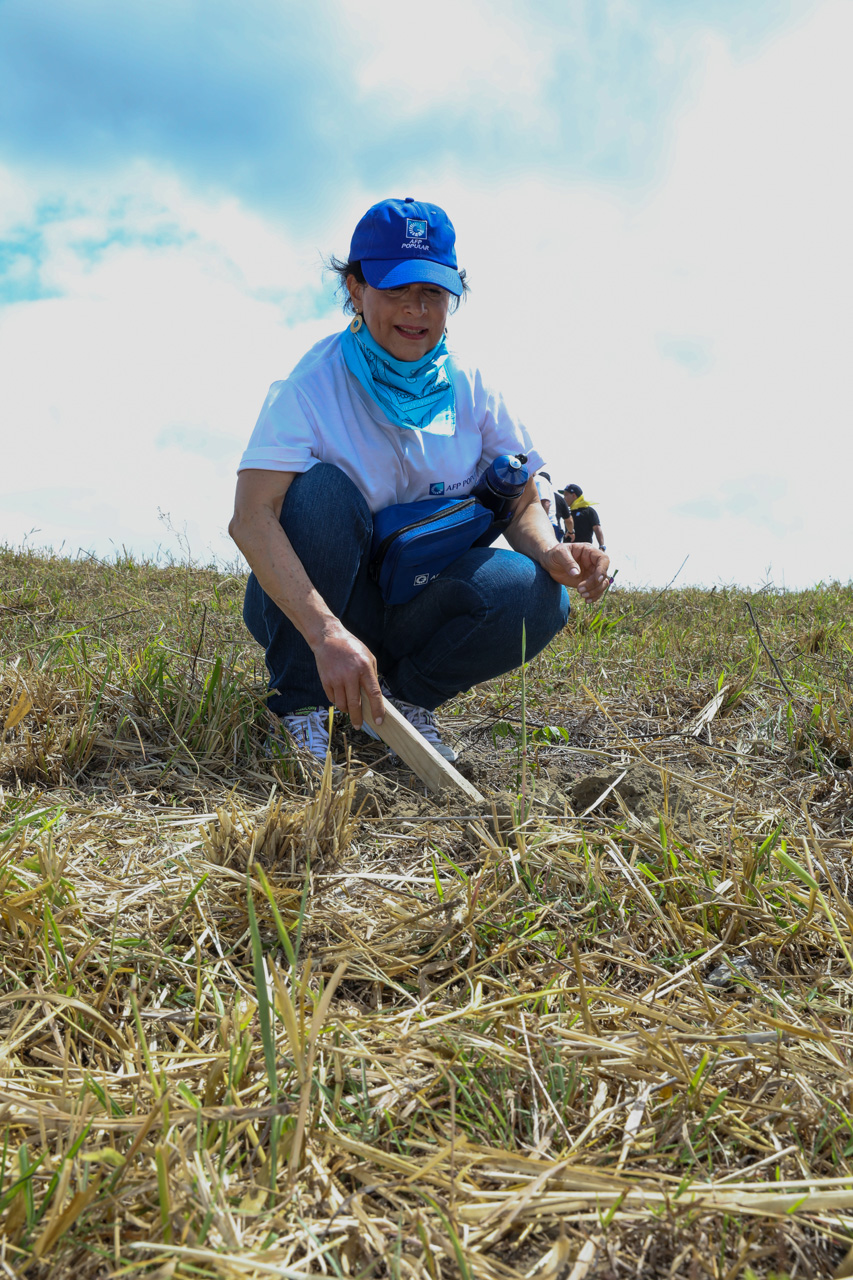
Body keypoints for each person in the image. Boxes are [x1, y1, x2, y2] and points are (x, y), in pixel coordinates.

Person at [229, 197, 610, 770]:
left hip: (418, 602)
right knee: (323, 493)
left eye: (433, 291)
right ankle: (300, 704)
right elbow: (251, 517)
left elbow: (522, 500)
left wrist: (551, 550)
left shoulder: (473, 388)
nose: (416, 309)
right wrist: (326, 632)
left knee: (536, 592)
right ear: (356, 288)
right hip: (320, 606)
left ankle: (401, 704)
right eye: (396, 289)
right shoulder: (311, 385)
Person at [563, 484, 605, 551]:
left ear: (573, 495)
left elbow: (597, 528)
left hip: (584, 550)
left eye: (566, 495)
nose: (564, 498)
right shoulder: (568, 513)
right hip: (568, 550)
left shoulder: (589, 511)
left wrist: (602, 546)